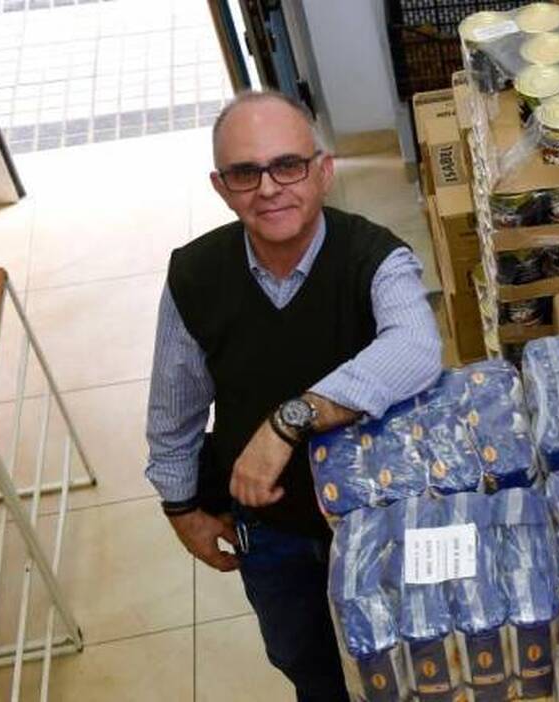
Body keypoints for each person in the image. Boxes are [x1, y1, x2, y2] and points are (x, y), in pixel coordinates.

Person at [145, 90, 442, 701]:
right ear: (222, 188)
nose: (269, 188)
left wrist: (289, 421)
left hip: (379, 519)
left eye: (288, 165)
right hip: (271, 532)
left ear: (323, 171)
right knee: (306, 662)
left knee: (413, 661)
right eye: (245, 172)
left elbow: (416, 348)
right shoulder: (194, 276)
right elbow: (173, 411)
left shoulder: (376, 257)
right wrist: (182, 508)